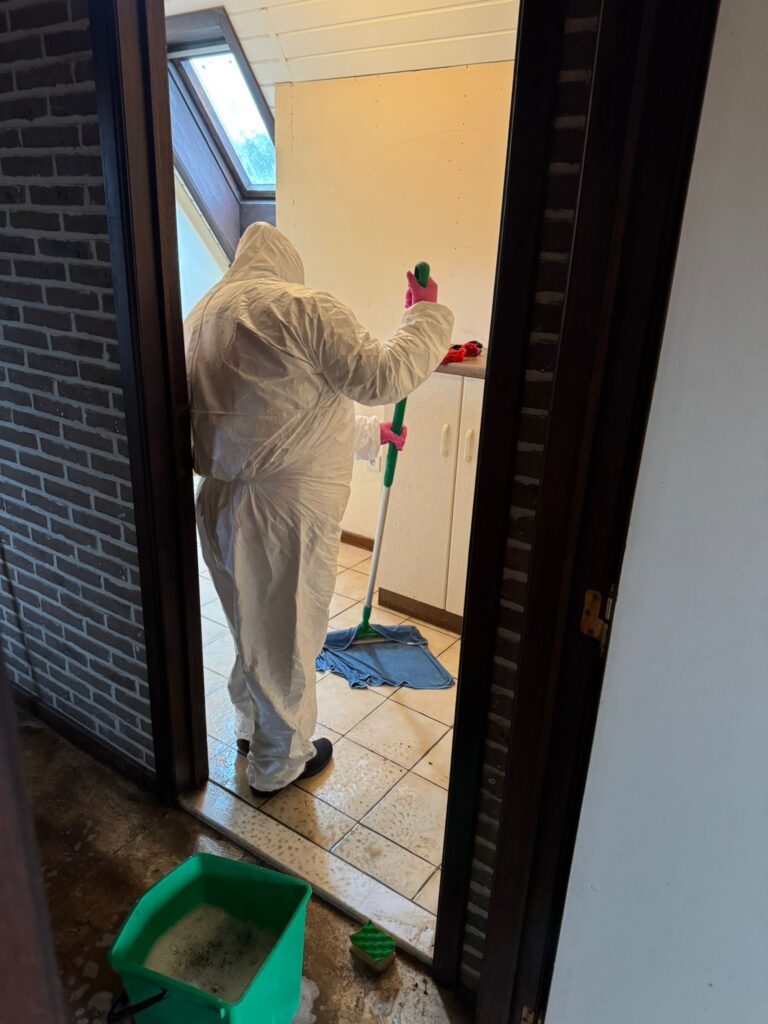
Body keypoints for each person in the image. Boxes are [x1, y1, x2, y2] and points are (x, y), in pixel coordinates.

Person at [185, 222, 454, 792]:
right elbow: (383, 375)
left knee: (251, 628)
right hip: (284, 511)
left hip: (220, 500)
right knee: (287, 638)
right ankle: (279, 765)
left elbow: (283, 412)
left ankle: (251, 730)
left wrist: (372, 434)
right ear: (288, 265)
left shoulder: (201, 317)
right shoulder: (300, 307)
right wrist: (425, 316)